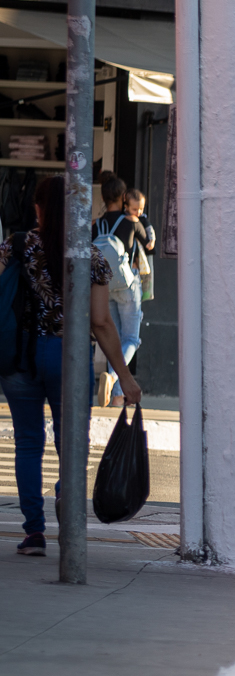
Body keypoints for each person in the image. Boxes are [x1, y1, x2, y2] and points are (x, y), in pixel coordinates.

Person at [4, 175, 141, 555]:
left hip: (19, 357)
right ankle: (67, 497)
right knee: (72, 445)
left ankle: (33, 534)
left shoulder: (15, 246)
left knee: (29, 444)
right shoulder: (89, 255)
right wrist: (124, 376)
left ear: (37, 208)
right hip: (69, 356)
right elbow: (100, 322)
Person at [92, 174, 142, 407]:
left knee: (115, 337)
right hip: (128, 285)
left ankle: (118, 397)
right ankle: (112, 377)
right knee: (131, 338)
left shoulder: (96, 225)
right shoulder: (130, 221)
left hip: (106, 286)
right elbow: (148, 244)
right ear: (124, 197)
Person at [126, 188, 157, 302]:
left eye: (141, 209)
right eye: (134, 209)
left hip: (142, 253)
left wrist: (152, 241)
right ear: (126, 207)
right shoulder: (124, 219)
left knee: (146, 275)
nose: (138, 212)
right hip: (131, 254)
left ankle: (145, 293)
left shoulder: (143, 219)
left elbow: (150, 230)